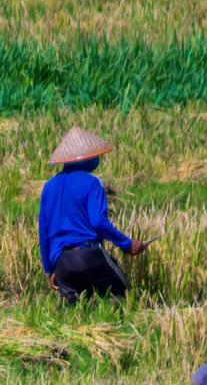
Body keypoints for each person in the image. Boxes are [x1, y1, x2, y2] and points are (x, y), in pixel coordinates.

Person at [38, 126, 148, 303]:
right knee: (125, 298)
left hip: (62, 263)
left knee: (74, 314)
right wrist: (127, 244)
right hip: (89, 255)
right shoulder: (92, 183)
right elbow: (98, 222)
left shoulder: (48, 187)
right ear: (87, 158)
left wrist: (50, 269)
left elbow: (44, 233)